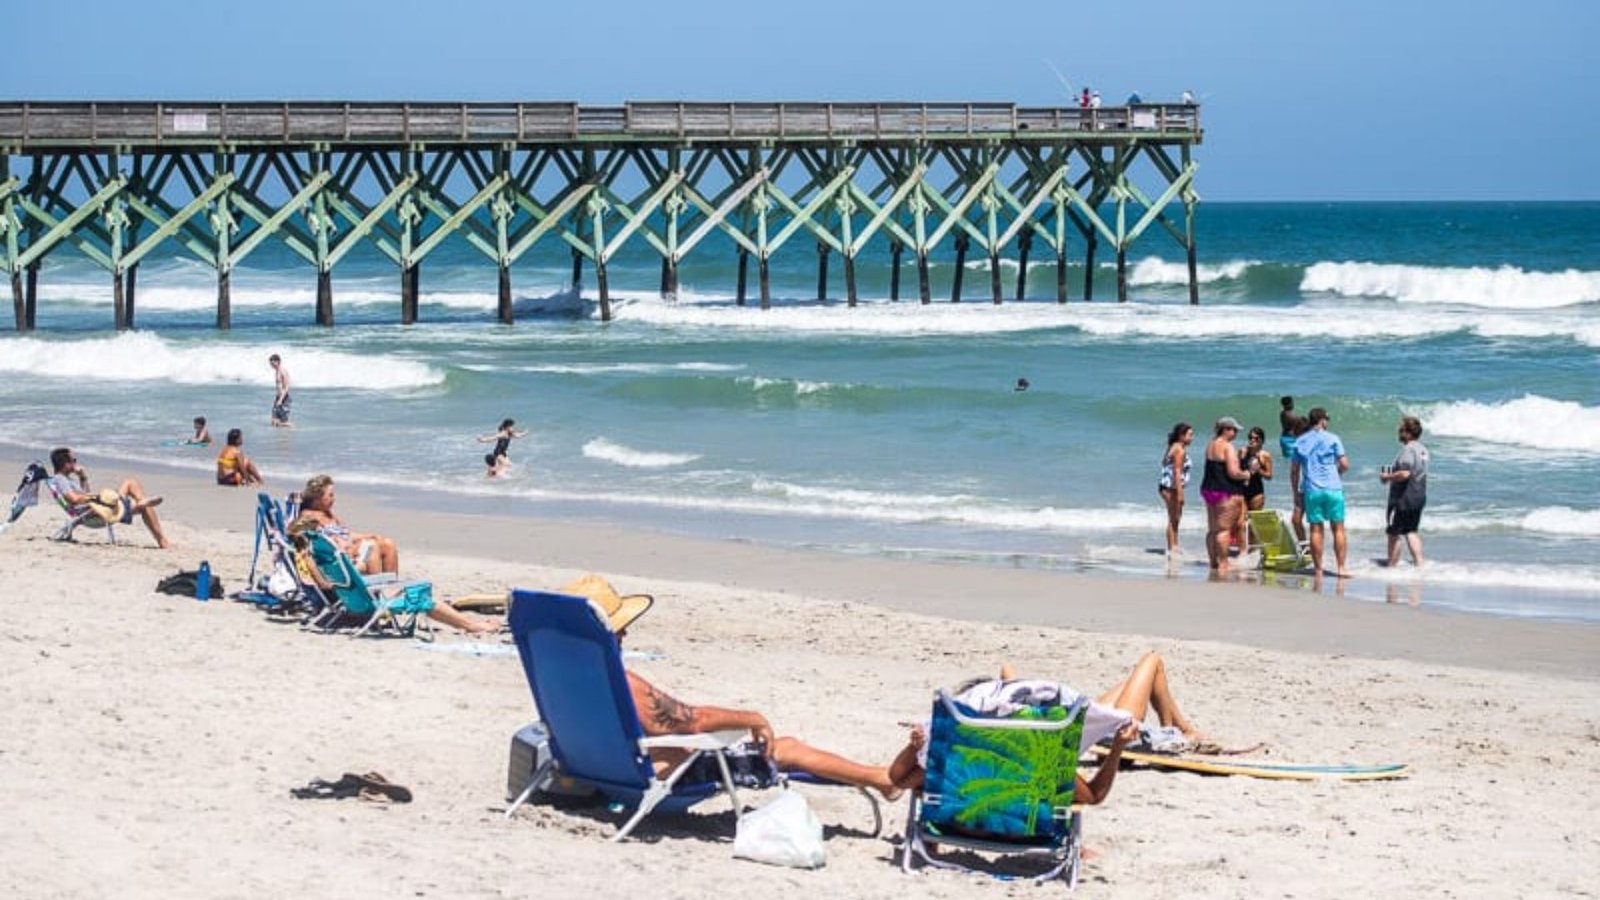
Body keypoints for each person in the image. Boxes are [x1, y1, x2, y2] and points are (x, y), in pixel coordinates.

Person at [595, 589, 901, 798]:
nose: (625, 633)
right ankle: (881, 780)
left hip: (598, 768)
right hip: (656, 773)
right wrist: (752, 719)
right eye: (619, 627)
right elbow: (694, 721)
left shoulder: (560, 674)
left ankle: (878, 777)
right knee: (786, 749)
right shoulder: (624, 682)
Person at [887, 651, 1205, 802]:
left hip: (1065, 729)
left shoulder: (953, 766)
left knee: (1010, 674)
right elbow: (1094, 795)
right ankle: (1175, 732)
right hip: (1105, 732)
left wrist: (917, 746)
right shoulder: (1046, 766)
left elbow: (896, 778)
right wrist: (1119, 747)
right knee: (1152, 661)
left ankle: (1175, 729)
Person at [47, 447, 171, 548]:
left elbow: (84, 494)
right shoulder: (60, 479)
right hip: (96, 512)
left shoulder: (67, 479)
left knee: (131, 483)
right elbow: (73, 499)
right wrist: (97, 498)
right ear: (65, 464)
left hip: (95, 507)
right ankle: (163, 541)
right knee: (142, 502)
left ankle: (140, 502)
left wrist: (82, 477)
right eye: (73, 460)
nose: (76, 463)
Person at [289, 474, 399, 576]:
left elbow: (347, 533)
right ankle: (377, 591)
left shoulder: (328, 513)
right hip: (340, 557)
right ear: (317, 499)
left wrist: (368, 536)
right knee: (372, 546)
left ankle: (391, 589)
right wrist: (334, 541)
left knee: (387, 544)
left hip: (350, 548)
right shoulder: (309, 516)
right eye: (330, 495)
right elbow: (292, 531)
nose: (334, 499)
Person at [1291, 407, 1351, 578]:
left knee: (1316, 530)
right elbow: (1345, 464)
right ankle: (1341, 568)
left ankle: (1318, 570)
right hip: (1333, 489)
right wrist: (1336, 474)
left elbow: (1294, 471)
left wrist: (1295, 492)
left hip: (1312, 491)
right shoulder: (1333, 438)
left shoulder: (1300, 441)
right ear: (1323, 420)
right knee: (1338, 529)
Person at [1199, 417, 1251, 573]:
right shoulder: (1228, 447)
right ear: (1226, 429)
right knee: (1223, 529)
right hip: (1225, 491)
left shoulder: (1210, 445)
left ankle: (1213, 562)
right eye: (1234, 430)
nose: (1235, 433)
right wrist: (1247, 474)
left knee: (1213, 529)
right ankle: (1223, 563)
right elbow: (1233, 472)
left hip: (1209, 489)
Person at [1380, 416, 1429, 568]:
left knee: (1394, 533)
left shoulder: (1408, 449)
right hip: (1419, 494)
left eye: (1401, 430)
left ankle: (1391, 566)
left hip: (1404, 497)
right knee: (1411, 531)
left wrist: (1387, 477)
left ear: (1408, 433)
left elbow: (1405, 473)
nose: (1398, 432)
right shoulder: (1423, 450)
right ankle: (1419, 564)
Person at [1158, 422, 1194, 556]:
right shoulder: (1179, 449)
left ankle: (1174, 546)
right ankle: (1171, 548)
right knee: (1174, 518)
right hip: (1171, 488)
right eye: (1190, 434)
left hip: (1166, 486)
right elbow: (1177, 471)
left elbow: (1163, 463)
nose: (1192, 437)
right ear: (1181, 435)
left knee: (1175, 517)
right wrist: (1180, 493)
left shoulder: (1173, 446)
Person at [1241, 426, 1273, 512]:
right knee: (1241, 521)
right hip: (1242, 490)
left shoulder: (1265, 455)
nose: (1252, 440)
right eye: (1250, 437)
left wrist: (1258, 470)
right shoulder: (1243, 451)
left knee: (1254, 520)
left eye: (1256, 438)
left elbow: (1269, 476)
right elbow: (1235, 470)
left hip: (1256, 492)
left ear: (1262, 440)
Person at [269, 354, 292, 427]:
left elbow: (286, 387)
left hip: (284, 398)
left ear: (278, 362)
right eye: (271, 364)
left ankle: (293, 429)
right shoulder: (277, 371)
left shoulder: (283, 371)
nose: (272, 365)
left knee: (284, 420)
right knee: (274, 420)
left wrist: (281, 400)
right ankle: (280, 435)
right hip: (278, 398)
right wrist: (277, 398)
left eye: (273, 363)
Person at [1277, 396, 1297, 461]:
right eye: (1292, 402)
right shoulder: (1288, 414)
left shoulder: (1283, 413)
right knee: (1292, 460)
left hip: (1286, 438)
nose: (1293, 404)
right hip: (1289, 439)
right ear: (1289, 404)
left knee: (1289, 460)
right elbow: (1290, 426)